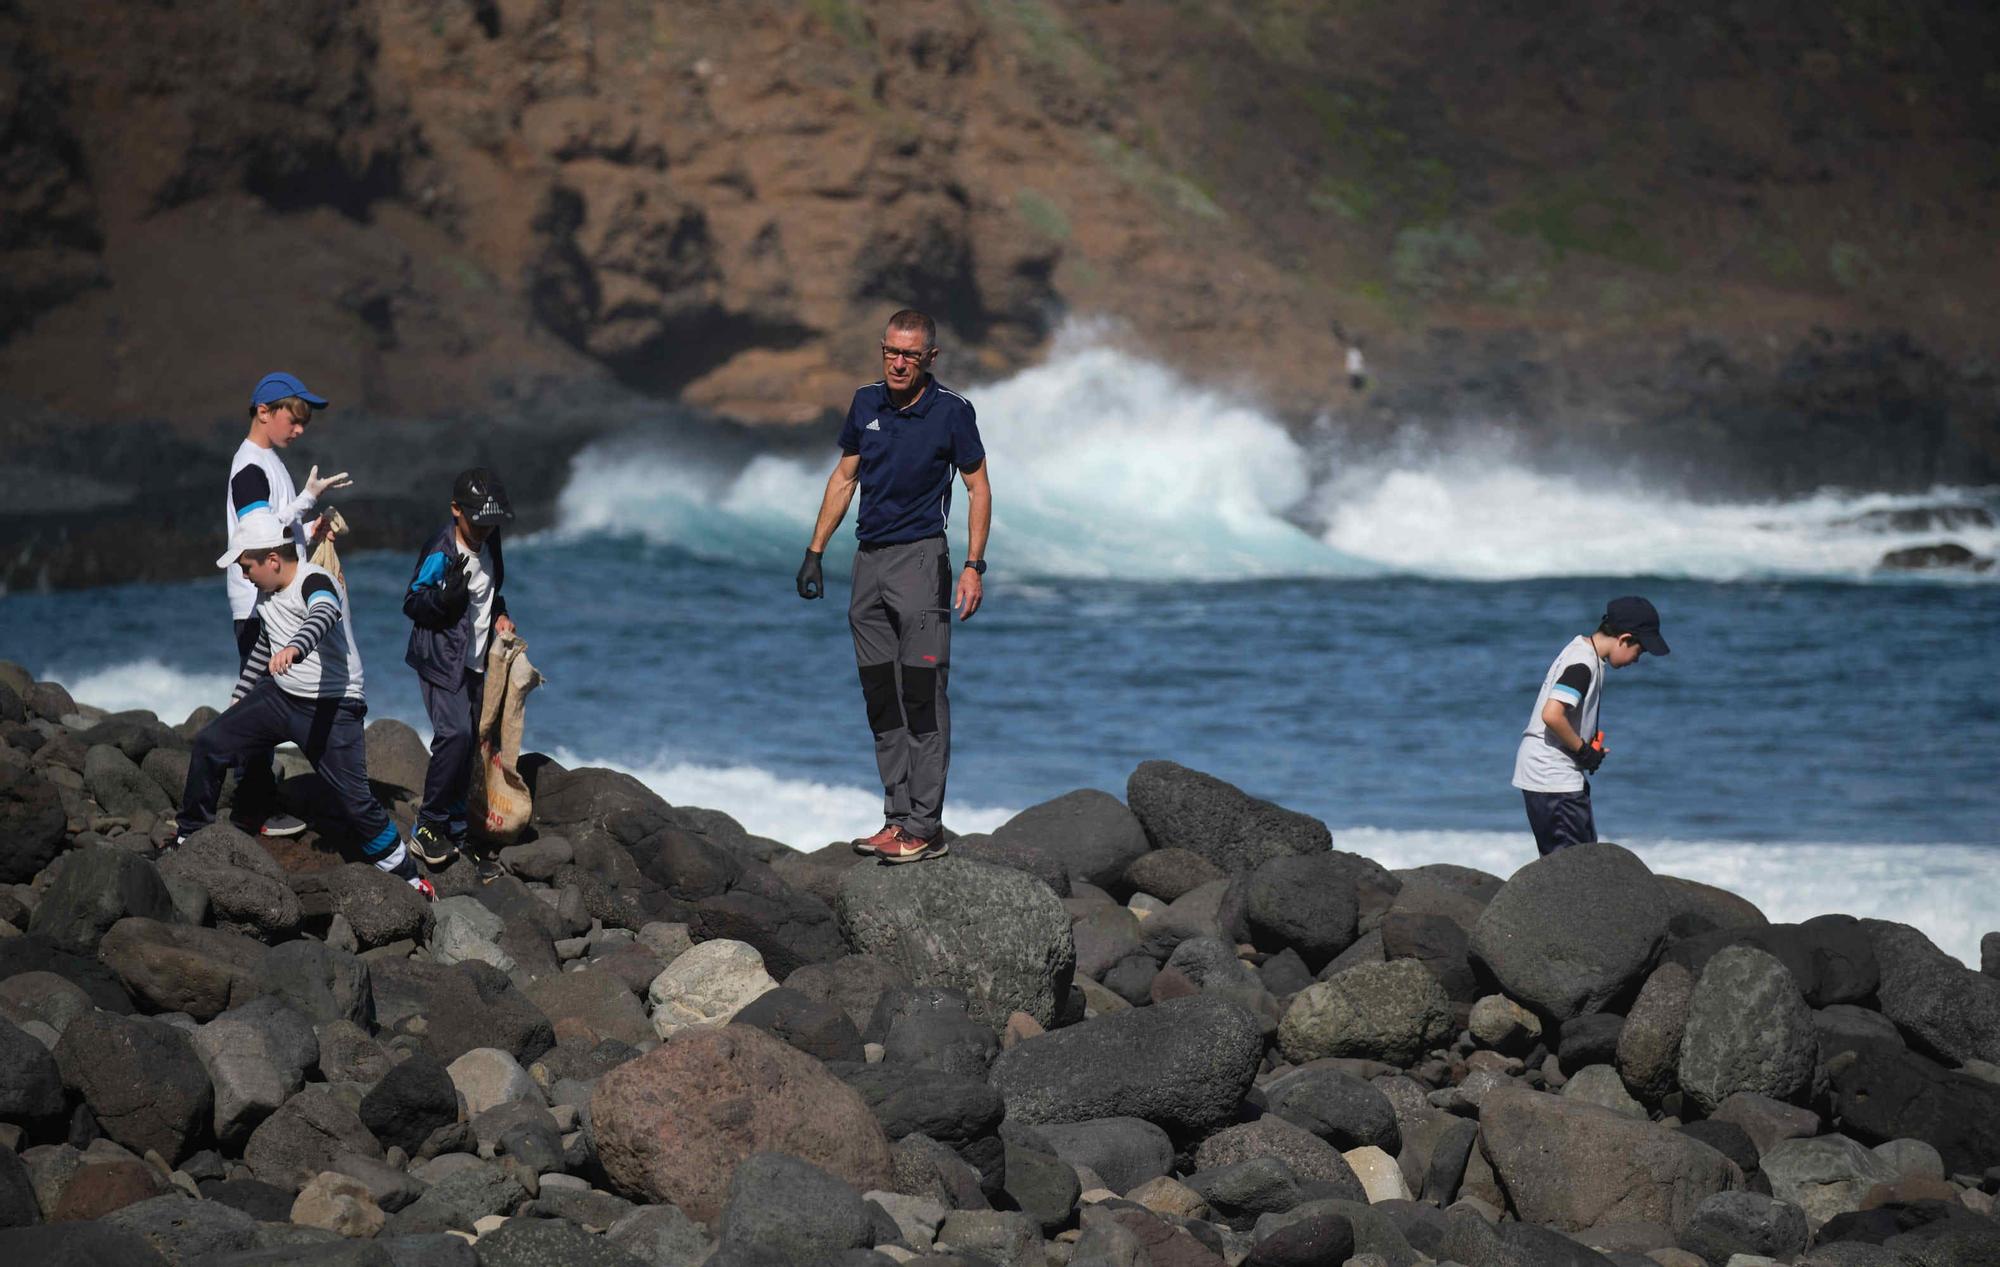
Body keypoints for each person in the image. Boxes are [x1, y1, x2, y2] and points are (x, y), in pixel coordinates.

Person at [796, 309, 990, 864]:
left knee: (923, 693)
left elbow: (978, 489)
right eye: (890, 352)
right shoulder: (866, 402)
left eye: (909, 355)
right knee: (880, 693)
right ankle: (896, 817)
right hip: (869, 564)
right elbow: (844, 476)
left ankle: (925, 827)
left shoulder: (952, 412)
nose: (898, 363)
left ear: (930, 359)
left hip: (922, 565)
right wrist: (815, 553)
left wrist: (975, 565)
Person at [176, 509, 433, 898]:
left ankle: (410, 878)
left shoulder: (315, 581)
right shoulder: (267, 592)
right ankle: (189, 837)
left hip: (333, 706)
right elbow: (264, 649)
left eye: (247, 566)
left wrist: (297, 647)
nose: (244, 575)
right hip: (280, 697)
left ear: (273, 560)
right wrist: (239, 699)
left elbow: (324, 612)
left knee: (356, 803)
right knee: (212, 742)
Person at [222, 371, 352, 838]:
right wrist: (304, 503)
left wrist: (306, 532)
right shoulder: (249, 466)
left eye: (304, 423)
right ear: (263, 412)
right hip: (257, 605)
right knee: (260, 701)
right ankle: (251, 809)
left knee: (261, 697)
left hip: (270, 599)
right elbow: (259, 536)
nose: (299, 430)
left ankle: (256, 790)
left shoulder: (269, 460)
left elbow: (278, 538)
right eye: (293, 420)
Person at [403, 468, 516, 876]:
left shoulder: (491, 540)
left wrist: (501, 617)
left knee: (471, 746)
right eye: (478, 522)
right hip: (441, 658)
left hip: (476, 661)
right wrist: (444, 602)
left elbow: (490, 594)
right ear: (456, 511)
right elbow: (413, 602)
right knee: (455, 734)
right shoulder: (442, 549)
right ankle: (427, 824)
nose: (485, 531)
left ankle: (456, 830)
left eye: (492, 523)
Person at [1511, 596, 1670, 854]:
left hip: (1546, 773)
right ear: (1624, 639)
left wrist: (1586, 752)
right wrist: (1583, 750)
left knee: (1575, 861)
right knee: (1578, 865)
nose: (1637, 660)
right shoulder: (1583, 663)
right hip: (1552, 777)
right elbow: (1551, 715)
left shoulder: (1583, 652)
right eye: (1639, 651)